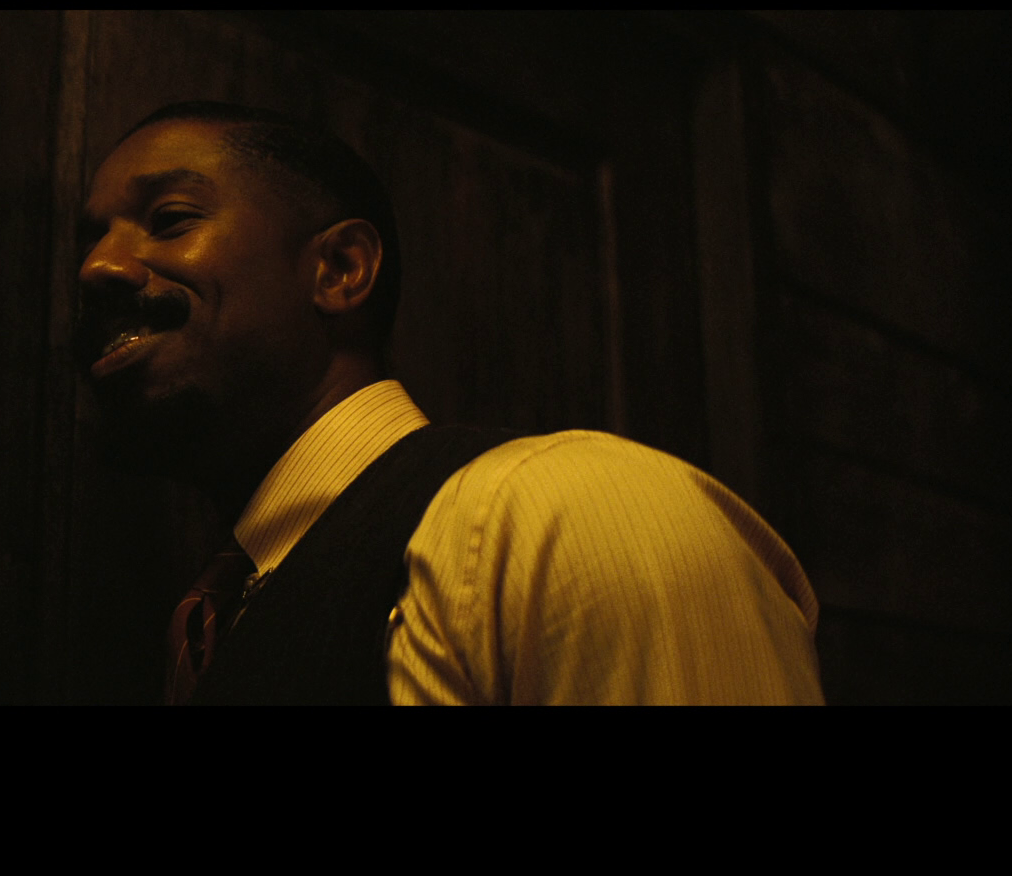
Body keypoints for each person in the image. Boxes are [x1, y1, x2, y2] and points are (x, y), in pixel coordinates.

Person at [76, 101, 823, 705]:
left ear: (340, 269)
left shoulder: (566, 514)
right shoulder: (216, 615)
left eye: (170, 219)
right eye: (93, 238)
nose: (97, 267)